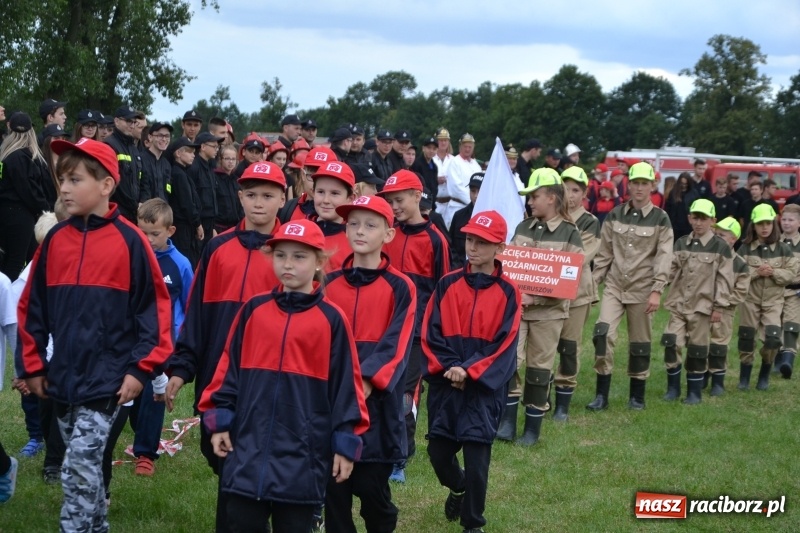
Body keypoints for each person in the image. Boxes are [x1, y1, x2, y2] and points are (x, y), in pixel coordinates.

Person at [17, 137, 173, 532]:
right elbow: (32, 308)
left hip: (108, 379)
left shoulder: (131, 241)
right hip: (63, 377)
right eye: (62, 180)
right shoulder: (55, 240)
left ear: (106, 185)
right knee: (86, 464)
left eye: (75, 180)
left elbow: (155, 312)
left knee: (78, 466)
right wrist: (32, 364)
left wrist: (140, 369)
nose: (65, 188)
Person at [198, 219, 369, 533]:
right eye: (280, 255)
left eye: (299, 256)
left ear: (319, 262)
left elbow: (347, 387)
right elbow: (227, 370)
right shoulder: (253, 310)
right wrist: (220, 417)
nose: (288, 264)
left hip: (303, 454)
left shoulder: (332, 320)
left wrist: (346, 442)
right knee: (241, 521)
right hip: (247, 446)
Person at [166, 161, 286, 531]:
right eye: (251, 194)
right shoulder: (218, 247)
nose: (259, 202)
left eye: (267, 195)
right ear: (240, 197)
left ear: (283, 199)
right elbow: (197, 313)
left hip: (266, 375)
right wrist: (182, 366)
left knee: (241, 461)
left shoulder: (290, 252)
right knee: (214, 446)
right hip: (216, 375)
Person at [423, 210, 521, 533]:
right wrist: (451, 367)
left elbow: (504, 344)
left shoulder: (509, 292)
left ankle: (472, 524)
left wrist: (469, 371)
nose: (473, 247)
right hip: (446, 384)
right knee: (438, 453)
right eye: (469, 240)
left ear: (500, 248)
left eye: (482, 242)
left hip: (482, 390)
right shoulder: (447, 284)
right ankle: (457, 486)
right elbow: (430, 333)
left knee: (477, 462)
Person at [324, 195, 416, 533]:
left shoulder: (401, 286)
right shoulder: (329, 283)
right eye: (353, 224)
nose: (360, 231)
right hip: (334, 402)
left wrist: (365, 379)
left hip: (376, 406)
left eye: (370, 225)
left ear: (388, 234)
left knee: (370, 489)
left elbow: (397, 343)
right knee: (334, 492)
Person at [379, 169, 451, 483]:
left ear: (417, 196)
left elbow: (443, 290)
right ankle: (379, 448)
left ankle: (400, 457)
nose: (394, 207)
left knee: (406, 394)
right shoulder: (387, 233)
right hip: (383, 327)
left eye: (399, 200)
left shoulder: (436, 239)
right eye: (390, 201)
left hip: (417, 333)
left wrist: (437, 333)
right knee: (381, 389)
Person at [505, 169, 583, 445]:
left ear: (551, 197)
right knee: (509, 361)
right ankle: (506, 423)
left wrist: (535, 298)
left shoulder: (570, 233)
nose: (529, 202)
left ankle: (531, 429)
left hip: (549, 313)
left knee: (539, 369)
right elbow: (510, 267)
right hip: (518, 311)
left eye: (534, 196)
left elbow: (570, 281)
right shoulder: (523, 227)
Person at [588, 162, 673, 411]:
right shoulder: (615, 214)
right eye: (635, 183)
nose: (639, 188)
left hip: (643, 289)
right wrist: (593, 283)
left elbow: (664, 256)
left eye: (644, 184)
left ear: (652, 186)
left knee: (640, 344)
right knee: (602, 334)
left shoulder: (661, 218)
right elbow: (604, 253)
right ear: (629, 184)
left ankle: (637, 396)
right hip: (615, 286)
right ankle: (601, 395)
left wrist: (657, 290)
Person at [131, 199, 193, 476]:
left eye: (154, 233)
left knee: (154, 396)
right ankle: (138, 431)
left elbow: (190, 305)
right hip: (133, 340)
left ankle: (146, 454)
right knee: (132, 395)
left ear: (170, 231)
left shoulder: (180, 264)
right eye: (142, 232)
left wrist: (181, 339)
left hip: (164, 344)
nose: (148, 239)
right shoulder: (133, 257)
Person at [10, 211, 64, 484]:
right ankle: (38, 437)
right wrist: (22, 370)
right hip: (40, 355)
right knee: (43, 409)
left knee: (59, 407)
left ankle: (54, 462)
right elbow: (20, 327)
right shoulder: (26, 279)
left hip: (65, 355)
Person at [660, 199, 733, 404]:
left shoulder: (720, 247)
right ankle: (673, 388)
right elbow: (671, 269)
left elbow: (725, 280)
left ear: (713, 221)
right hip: (679, 304)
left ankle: (694, 392)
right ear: (689, 218)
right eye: (695, 218)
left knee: (697, 350)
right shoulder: (682, 242)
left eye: (703, 218)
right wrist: (657, 286)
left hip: (703, 307)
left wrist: (719, 306)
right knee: (671, 342)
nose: (699, 223)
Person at [552, 167, 599, 422]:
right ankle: (541, 395)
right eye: (565, 189)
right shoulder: (547, 217)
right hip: (548, 293)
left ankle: (563, 400)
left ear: (584, 193)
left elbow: (580, 257)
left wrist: (551, 261)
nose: (570, 196)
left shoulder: (590, 222)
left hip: (577, 294)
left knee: (569, 347)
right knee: (545, 345)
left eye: (576, 190)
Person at [736, 204, 798, 391]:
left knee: (772, 338)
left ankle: (765, 372)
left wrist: (773, 272)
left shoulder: (784, 249)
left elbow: (791, 274)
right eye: (760, 223)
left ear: (773, 224)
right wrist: (756, 272)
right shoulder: (745, 248)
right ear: (753, 226)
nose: (764, 227)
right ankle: (744, 377)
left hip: (773, 302)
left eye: (768, 223)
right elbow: (736, 272)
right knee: (746, 339)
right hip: (750, 301)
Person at [0, 112, 49, 280]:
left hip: (9, 213)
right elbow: (29, 190)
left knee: (25, 260)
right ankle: (6, 295)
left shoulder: (7, 155)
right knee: (16, 262)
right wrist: (45, 209)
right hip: (20, 214)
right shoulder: (20, 156)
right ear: (31, 132)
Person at [707, 218, 751, 395]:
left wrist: (721, 302)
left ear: (733, 239)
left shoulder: (740, 264)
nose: (717, 238)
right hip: (703, 307)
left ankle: (718, 380)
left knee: (719, 345)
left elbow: (741, 292)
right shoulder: (707, 257)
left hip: (725, 311)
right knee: (699, 343)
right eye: (716, 234)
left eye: (722, 235)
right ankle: (701, 374)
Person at [310, 160, 356, 272]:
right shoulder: (300, 231)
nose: (326, 200)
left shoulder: (356, 239)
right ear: (313, 193)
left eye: (334, 193)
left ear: (350, 199)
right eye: (321, 192)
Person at [168, 137, 203, 267]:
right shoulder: (178, 174)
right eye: (189, 152)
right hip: (182, 228)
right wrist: (197, 224)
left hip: (186, 227)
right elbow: (187, 203)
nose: (193, 155)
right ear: (178, 153)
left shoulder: (183, 172)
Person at [105, 106, 143, 222]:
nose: (132, 125)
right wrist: (134, 205)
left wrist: (141, 203)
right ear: (116, 121)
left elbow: (140, 180)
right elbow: (115, 183)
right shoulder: (109, 145)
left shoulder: (133, 148)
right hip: (117, 211)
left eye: (134, 122)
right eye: (128, 121)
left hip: (134, 212)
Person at [776, 204, 800, 378]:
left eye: (791, 220)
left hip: (795, 292)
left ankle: (787, 361)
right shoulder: (775, 242)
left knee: (791, 324)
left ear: (799, 222)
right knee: (774, 325)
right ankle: (776, 358)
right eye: (784, 219)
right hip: (775, 291)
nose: (786, 223)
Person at [189, 131, 223, 253]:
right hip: (199, 222)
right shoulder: (194, 167)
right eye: (214, 146)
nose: (216, 150)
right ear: (203, 147)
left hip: (210, 221)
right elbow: (191, 198)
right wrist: (197, 224)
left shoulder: (209, 167)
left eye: (217, 147)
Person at [444, 133, 482, 229]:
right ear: (460, 146)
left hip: (473, 209)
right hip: (457, 207)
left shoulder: (475, 164)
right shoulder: (454, 162)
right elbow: (457, 187)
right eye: (465, 147)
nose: (467, 149)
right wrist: (472, 201)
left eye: (470, 147)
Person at [449, 172, 483, 269]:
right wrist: (457, 267)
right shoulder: (459, 216)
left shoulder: (495, 218)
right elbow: (450, 245)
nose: (476, 195)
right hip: (460, 270)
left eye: (480, 191)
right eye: (473, 191)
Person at [140, 121, 174, 203]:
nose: (164, 139)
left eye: (167, 136)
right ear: (150, 137)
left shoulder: (167, 164)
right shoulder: (140, 159)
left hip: (162, 209)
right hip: (145, 209)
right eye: (160, 135)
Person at [214, 145, 244, 233]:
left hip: (235, 226)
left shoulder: (237, 180)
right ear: (221, 160)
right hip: (219, 226)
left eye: (233, 159)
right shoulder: (214, 178)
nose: (230, 162)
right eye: (227, 159)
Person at [664, 172, 693, 239]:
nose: (683, 185)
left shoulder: (693, 194)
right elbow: (668, 209)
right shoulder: (673, 192)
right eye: (682, 183)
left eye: (686, 184)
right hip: (675, 226)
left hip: (688, 227)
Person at [412, 136, 439, 203]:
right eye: (429, 148)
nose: (431, 151)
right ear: (423, 148)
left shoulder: (434, 166)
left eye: (434, 149)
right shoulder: (417, 164)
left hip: (431, 201)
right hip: (421, 201)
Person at [433, 128, 454, 211]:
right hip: (435, 202)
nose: (443, 143)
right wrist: (435, 180)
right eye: (441, 140)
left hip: (450, 203)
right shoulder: (431, 159)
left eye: (445, 140)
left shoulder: (453, 160)